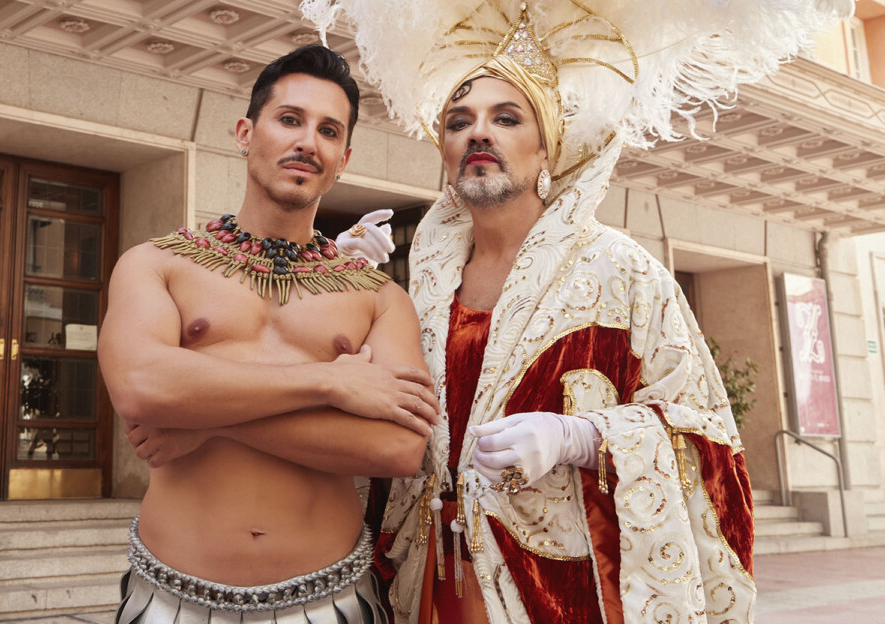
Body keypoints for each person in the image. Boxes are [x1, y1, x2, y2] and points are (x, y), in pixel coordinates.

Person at [301, 0, 851, 621]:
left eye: (506, 118)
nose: (478, 132)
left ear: (547, 151)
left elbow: (710, 437)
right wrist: (333, 282)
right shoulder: (417, 282)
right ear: (446, 151)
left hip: (556, 593)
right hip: (422, 582)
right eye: (459, 121)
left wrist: (583, 438)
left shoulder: (625, 273)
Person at [97, 45, 439, 623]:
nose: (309, 141)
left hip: (333, 604)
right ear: (245, 132)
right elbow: (142, 385)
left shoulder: (379, 296)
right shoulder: (154, 264)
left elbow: (399, 447)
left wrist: (202, 417)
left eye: (329, 131)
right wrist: (331, 384)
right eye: (290, 119)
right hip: (169, 603)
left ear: (344, 158)